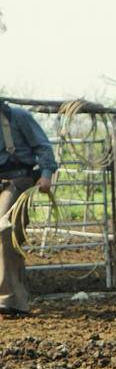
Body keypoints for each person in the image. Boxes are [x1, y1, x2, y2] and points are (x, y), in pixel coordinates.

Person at [0, 98, 57, 316]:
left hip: (17, 180)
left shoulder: (18, 117)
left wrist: (46, 174)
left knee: (5, 229)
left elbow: (42, 146)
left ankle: (11, 299)